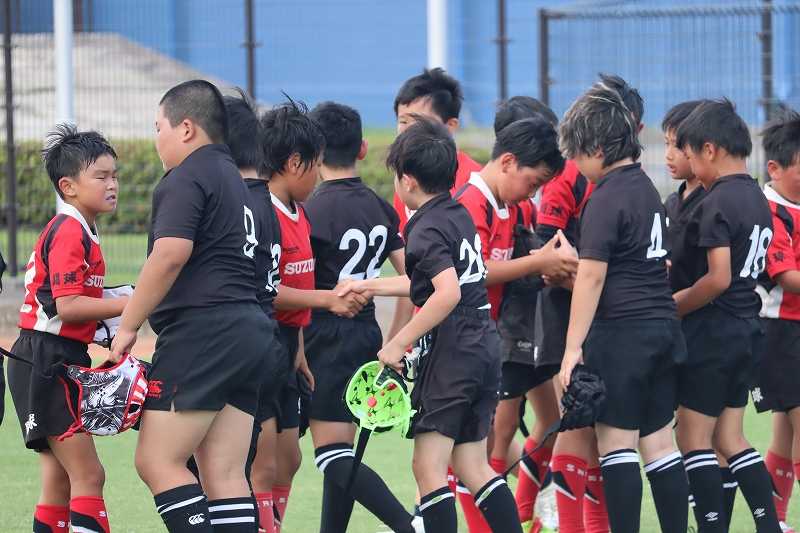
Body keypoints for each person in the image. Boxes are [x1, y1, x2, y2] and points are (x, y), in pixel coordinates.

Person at [340, 118, 523, 533]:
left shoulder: (423, 227)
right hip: (482, 344)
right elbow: (432, 282)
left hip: (454, 353)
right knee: (472, 464)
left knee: (428, 467)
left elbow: (446, 293)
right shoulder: (457, 212)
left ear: (407, 180)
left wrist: (397, 343)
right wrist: (370, 285)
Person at [110, 80, 278, 531]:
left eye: (158, 127)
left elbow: (169, 254)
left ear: (185, 128)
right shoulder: (237, 181)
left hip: (205, 332)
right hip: (248, 331)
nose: (157, 139)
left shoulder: (187, 175)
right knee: (224, 474)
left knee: (157, 460)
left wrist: (127, 327)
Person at [557, 78, 690, 533]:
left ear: (597, 148)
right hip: (663, 328)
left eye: (578, 154)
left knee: (617, 446)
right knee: (660, 446)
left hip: (622, 334)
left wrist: (572, 349)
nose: (576, 165)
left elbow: (591, 276)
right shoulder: (647, 189)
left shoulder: (605, 197)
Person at [452, 114, 575, 533]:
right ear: (507, 161)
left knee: (475, 449)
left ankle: (515, 513)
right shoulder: (472, 203)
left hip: (487, 336)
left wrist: (551, 267)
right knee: (462, 452)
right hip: (459, 340)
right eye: (533, 182)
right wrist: (540, 263)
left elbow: (510, 268)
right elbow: (477, 271)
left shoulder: (508, 206)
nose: (533, 193)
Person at [303, 101, 419, 533]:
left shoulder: (310, 210)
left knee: (331, 455)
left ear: (313, 152)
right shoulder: (379, 207)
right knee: (342, 451)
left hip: (322, 336)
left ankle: (408, 525)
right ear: (363, 149)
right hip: (364, 333)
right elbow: (413, 277)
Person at [6, 124, 128, 533]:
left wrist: (115, 305)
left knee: (58, 482)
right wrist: (132, 304)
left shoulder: (83, 228)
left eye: (114, 175)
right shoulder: (69, 230)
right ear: (68, 186)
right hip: (44, 360)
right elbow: (68, 306)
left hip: (52, 357)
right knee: (89, 475)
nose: (112, 184)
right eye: (101, 176)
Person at [254, 97, 368, 533]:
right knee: (262, 463)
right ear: (294, 163)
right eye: (316, 165)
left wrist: (299, 350)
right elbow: (264, 291)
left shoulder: (299, 212)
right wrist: (327, 300)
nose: (320, 174)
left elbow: (295, 290)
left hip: (288, 347)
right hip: (260, 347)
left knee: (290, 459)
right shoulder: (263, 214)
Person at [540, 73, 644, 533]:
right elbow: (547, 253)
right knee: (576, 427)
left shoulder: (631, 184)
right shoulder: (573, 175)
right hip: (569, 317)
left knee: (605, 438)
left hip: (610, 322)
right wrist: (590, 283)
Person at [672, 98, 779, 533]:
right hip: (747, 329)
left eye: (690, 155)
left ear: (710, 150)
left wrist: (671, 307)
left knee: (691, 437)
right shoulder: (756, 196)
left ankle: (712, 527)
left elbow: (717, 278)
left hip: (713, 333)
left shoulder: (716, 202)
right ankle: (768, 524)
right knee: (730, 438)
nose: (691, 167)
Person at [753, 109, 800, 533]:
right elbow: (786, 277)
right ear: (775, 168)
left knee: (786, 430)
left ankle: (775, 522)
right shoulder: (769, 212)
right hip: (780, 333)